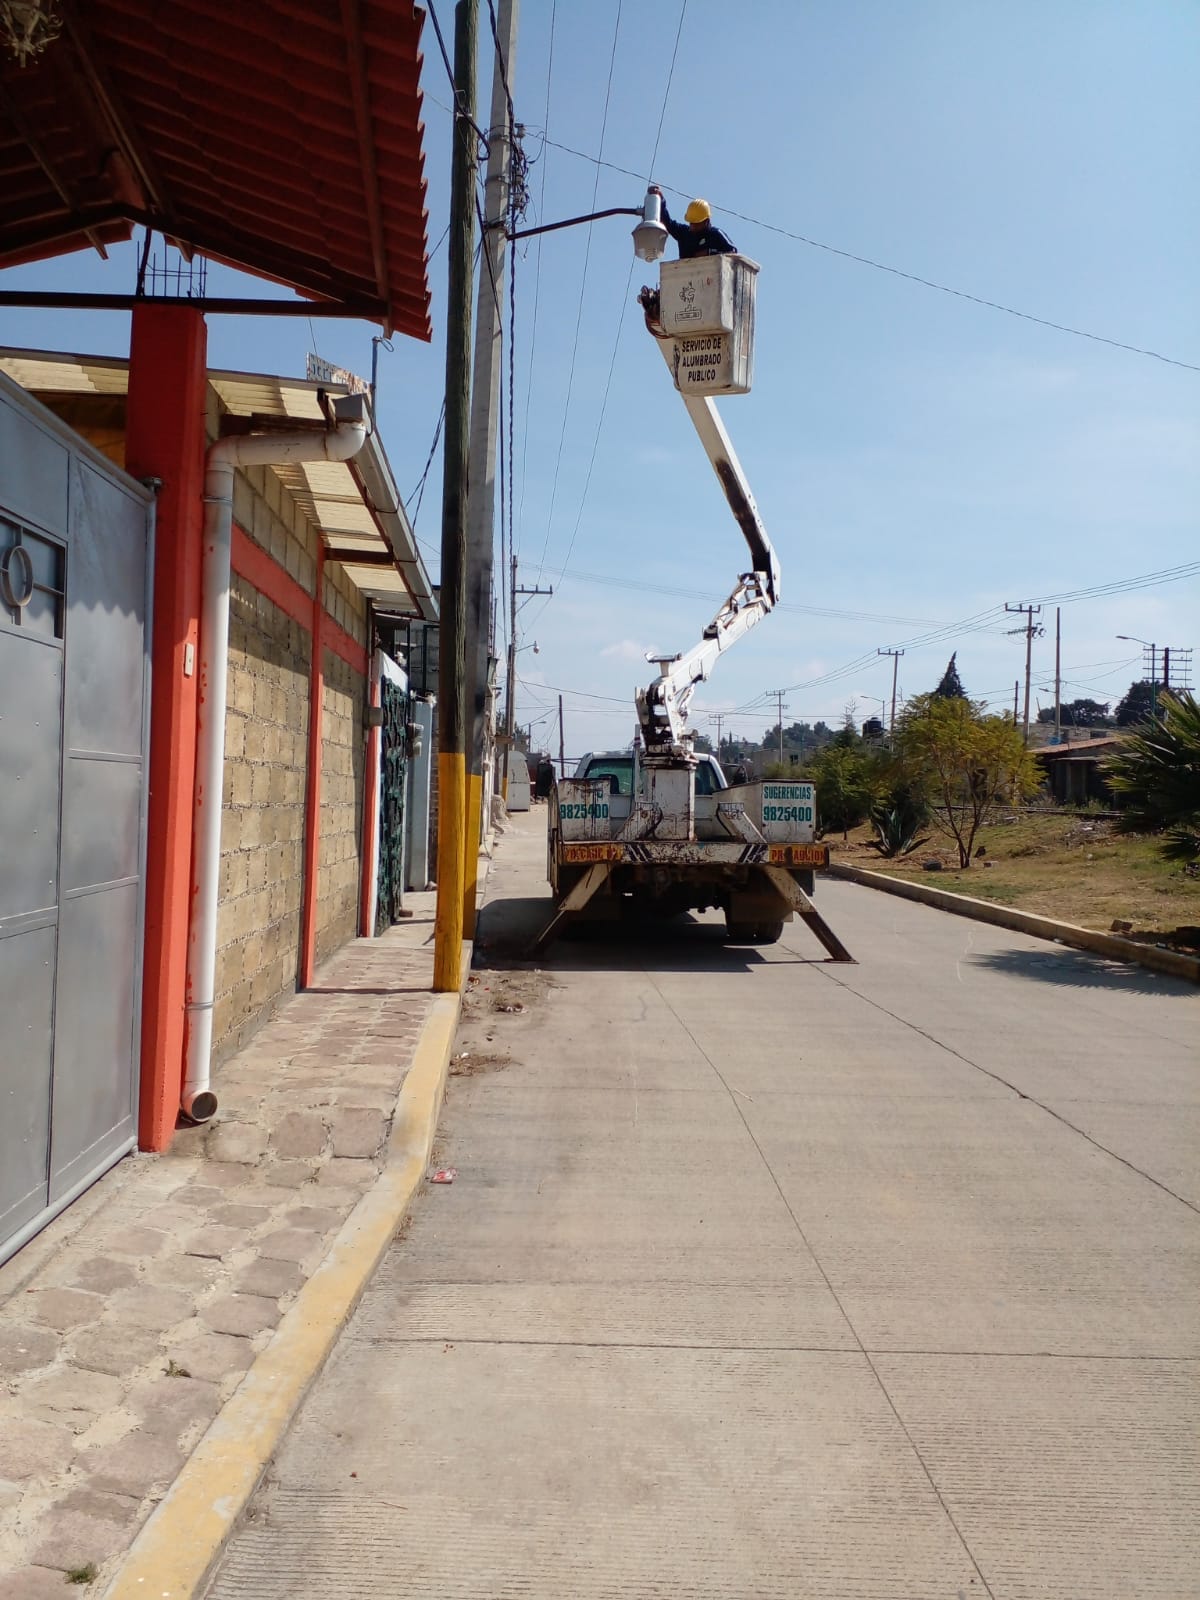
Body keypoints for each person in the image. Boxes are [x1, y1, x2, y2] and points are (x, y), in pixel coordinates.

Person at [651, 187, 736, 259]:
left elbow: (733, 253)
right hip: (687, 276)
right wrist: (660, 200)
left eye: (697, 224)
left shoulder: (716, 235)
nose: (693, 226)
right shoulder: (685, 234)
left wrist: (709, 253)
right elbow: (667, 223)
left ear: (706, 221)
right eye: (691, 223)